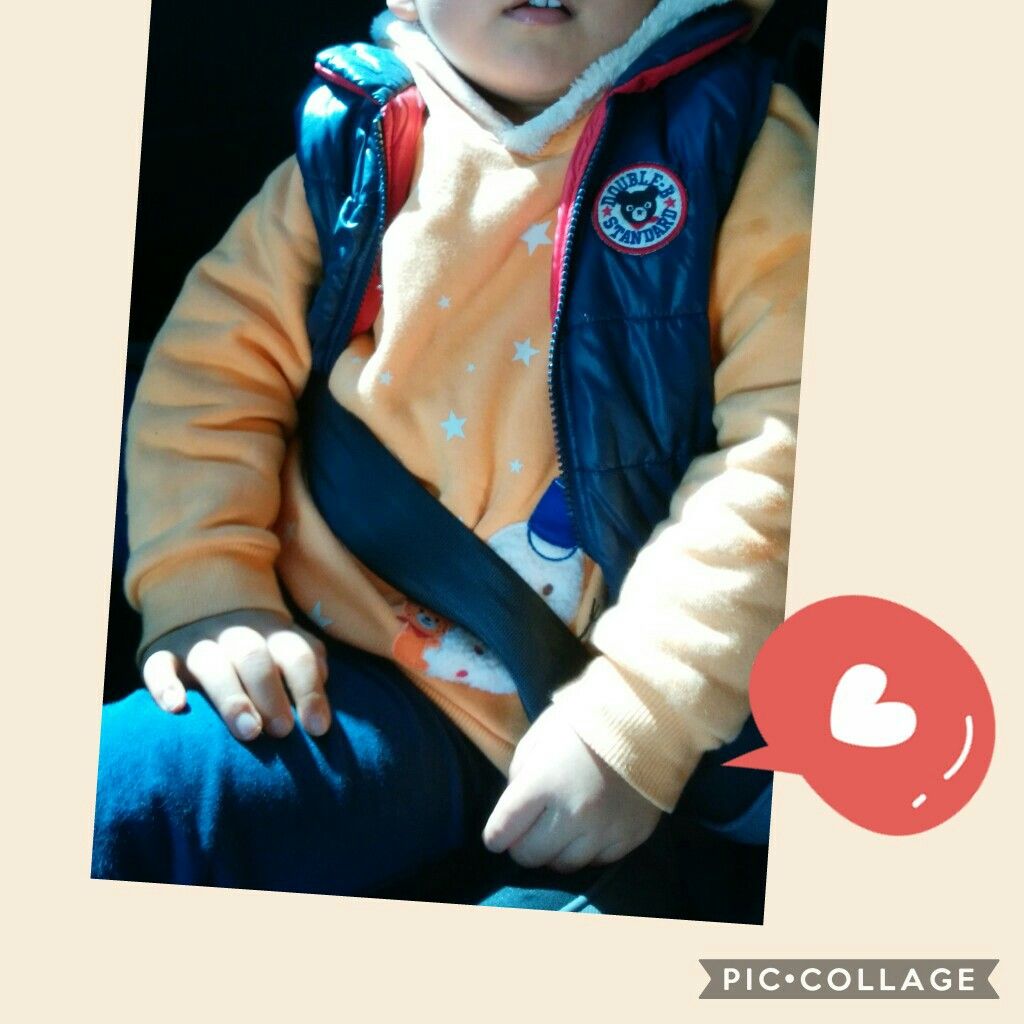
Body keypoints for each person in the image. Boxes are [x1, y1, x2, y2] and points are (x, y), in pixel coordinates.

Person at [92, 0, 814, 901]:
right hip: (320, 655)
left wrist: (642, 710)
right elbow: (214, 371)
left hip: (580, 703)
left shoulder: (742, 149)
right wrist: (209, 588)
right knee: (118, 796)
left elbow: (783, 452)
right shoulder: (357, 142)